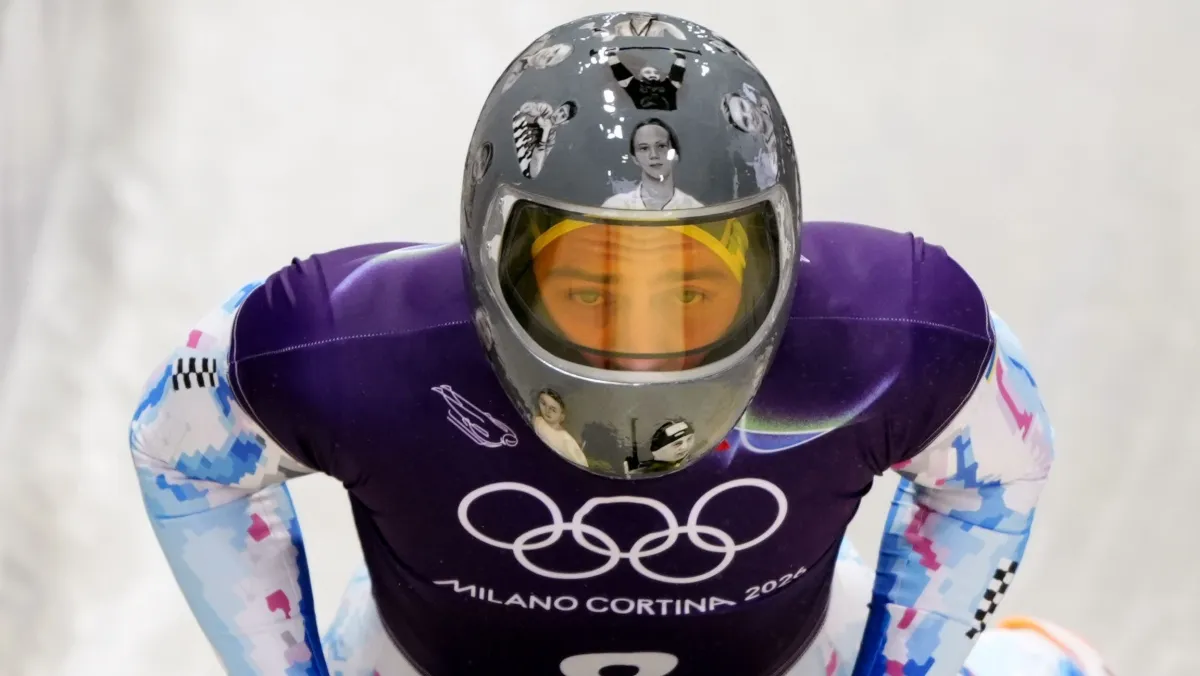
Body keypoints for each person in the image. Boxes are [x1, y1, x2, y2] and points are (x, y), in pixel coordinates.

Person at [128, 11, 1114, 676]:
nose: (641, 353)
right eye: (592, 289)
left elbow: (183, 448)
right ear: (491, 257)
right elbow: (994, 468)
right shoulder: (900, 331)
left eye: (688, 291)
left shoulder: (327, 338)